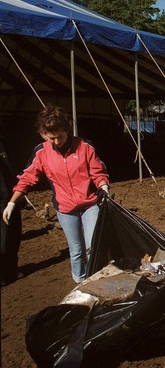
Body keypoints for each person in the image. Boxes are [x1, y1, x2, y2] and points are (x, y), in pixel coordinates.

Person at [2, 105, 110, 284]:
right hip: (65, 208)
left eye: (59, 136)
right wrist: (12, 202)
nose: (56, 142)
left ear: (66, 130)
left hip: (90, 204)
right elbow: (28, 178)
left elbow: (98, 172)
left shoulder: (84, 146)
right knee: (76, 250)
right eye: (50, 138)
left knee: (93, 246)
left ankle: (95, 281)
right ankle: (80, 282)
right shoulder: (41, 152)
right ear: (42, 133)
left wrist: (104, 186)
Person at [1, 136, 22, 286]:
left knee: (14, 233)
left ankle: (11, 269)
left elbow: (10, 165)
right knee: (3, 237)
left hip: (10, 194)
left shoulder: (3, 141)